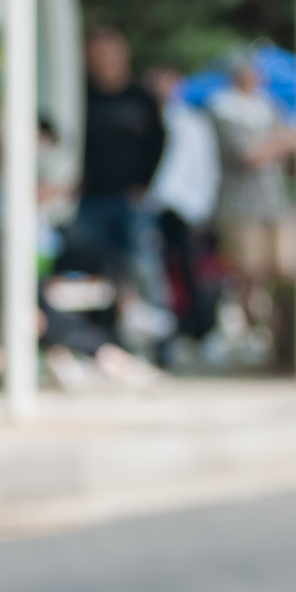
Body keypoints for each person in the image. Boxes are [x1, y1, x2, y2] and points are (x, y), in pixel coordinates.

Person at [207, 49, 296, 351]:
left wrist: (272, 145)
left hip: (274, 202)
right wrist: (278, 143)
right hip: (240, 205)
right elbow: (247, 154)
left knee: (284, 268)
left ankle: (277, 334)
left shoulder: (268, 106)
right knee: (248, 271)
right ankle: (250, 334)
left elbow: (286, 145)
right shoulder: (222, 109)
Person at [70, 26, 167, 310]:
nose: (102, 58)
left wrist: (144, 182)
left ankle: (156, 332)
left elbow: (158, 142)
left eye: (108, 51)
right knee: (93, 269)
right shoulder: (79, 98)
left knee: (143, 265)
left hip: (130, 199)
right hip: (88, 198)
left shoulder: (140, 99)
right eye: (96, 52)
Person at [145, 64, 220, 357]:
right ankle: (165, 330)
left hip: (186, 206)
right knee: (154, 271)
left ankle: (199, 329)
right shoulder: (146, 119)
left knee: (191, 271)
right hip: (152, 204)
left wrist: (202, 207)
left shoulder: (193, 122)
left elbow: (206, 167)